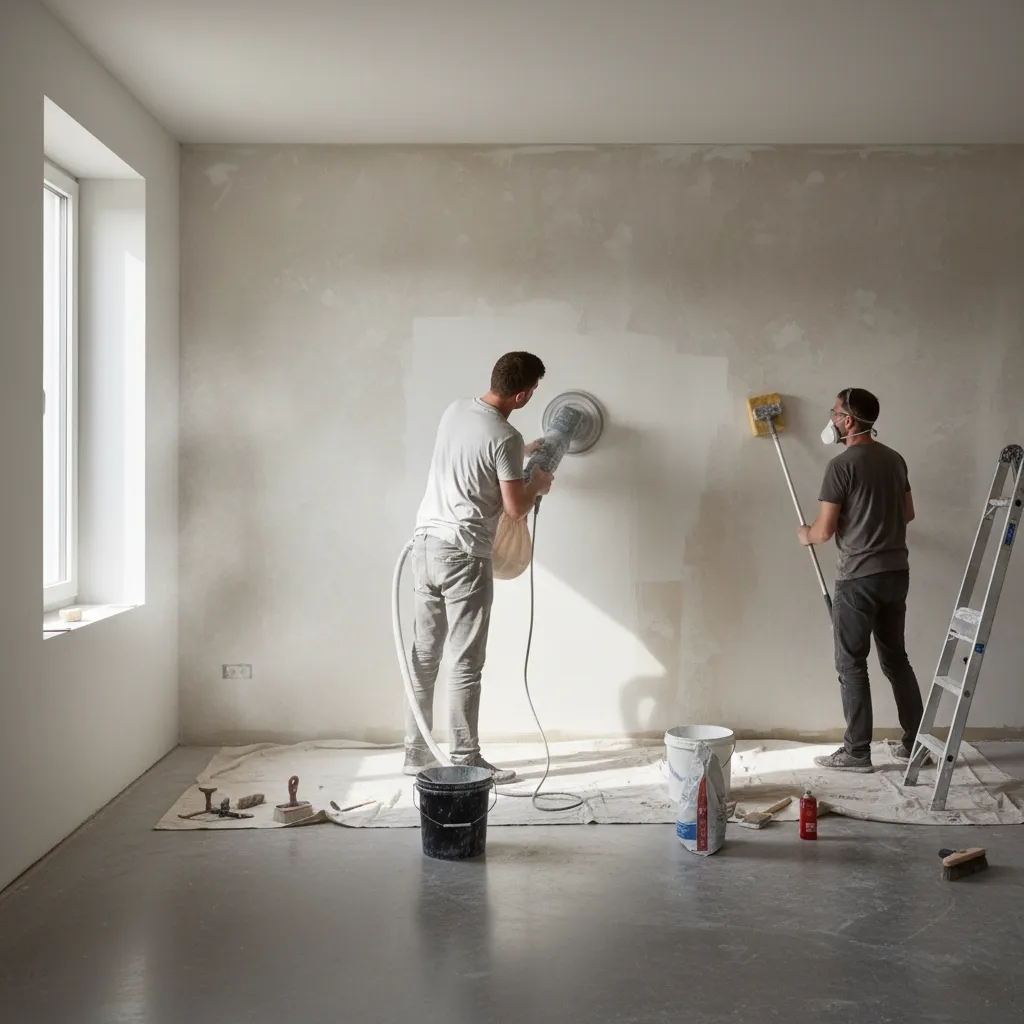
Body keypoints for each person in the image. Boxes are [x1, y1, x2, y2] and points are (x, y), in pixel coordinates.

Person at [404, 352, 554, 781]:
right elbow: (515, 507)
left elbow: (474, 452)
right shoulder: (504, 436)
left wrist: (520, 454)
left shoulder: (456, 410)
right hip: (464, 554)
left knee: (424, 656)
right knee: (466, 662)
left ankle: (415, 752)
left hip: (424, 545)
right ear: (523, 394)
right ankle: (466, 759)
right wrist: (537, 482)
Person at [798, 387, 924, 772]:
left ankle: (857, 753)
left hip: (857, 579)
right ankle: (916, 745)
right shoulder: (895, 459)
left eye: (835, 412)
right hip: (895, 574)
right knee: (896, 660)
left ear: (849, 420)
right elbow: (909, 514)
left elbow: (823, 532)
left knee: (851, 664)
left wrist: (804, 533)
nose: (832, 419)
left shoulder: (841, 465)